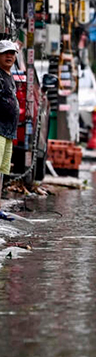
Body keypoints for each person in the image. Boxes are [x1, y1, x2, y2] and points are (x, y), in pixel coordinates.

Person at [0, 40, 19, 222]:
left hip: (8, 131)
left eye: (12, 53)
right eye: (6, 53)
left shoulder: (9, 77)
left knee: (2, 171)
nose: (9, 56)